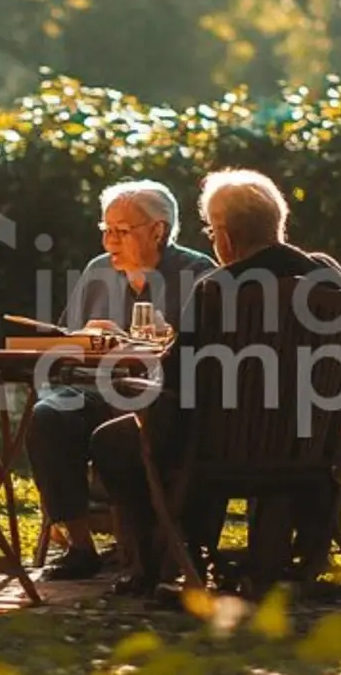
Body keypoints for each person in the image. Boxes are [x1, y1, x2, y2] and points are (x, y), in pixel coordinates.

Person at [91, 169, 341, 595]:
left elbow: (177, 377)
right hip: (310, 445)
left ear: (226, 238)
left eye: (212, 232)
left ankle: (160, 561)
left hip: (221, 451)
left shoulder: (216, 289)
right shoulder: (330, 281)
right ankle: (252, 558)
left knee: (114, 439)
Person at [27, 179, 215, 580]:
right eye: (106, 230)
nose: (109, 240)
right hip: (95, 389)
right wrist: (86, 338)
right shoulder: (98, 272)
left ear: (158, 231)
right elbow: (66, 343)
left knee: (126, 428)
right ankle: (80, 546)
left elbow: (200, 354)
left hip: (161, 397)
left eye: (121, 231)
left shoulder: (197, 273)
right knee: (50, 414)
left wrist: (132, 340)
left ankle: (142, 545)